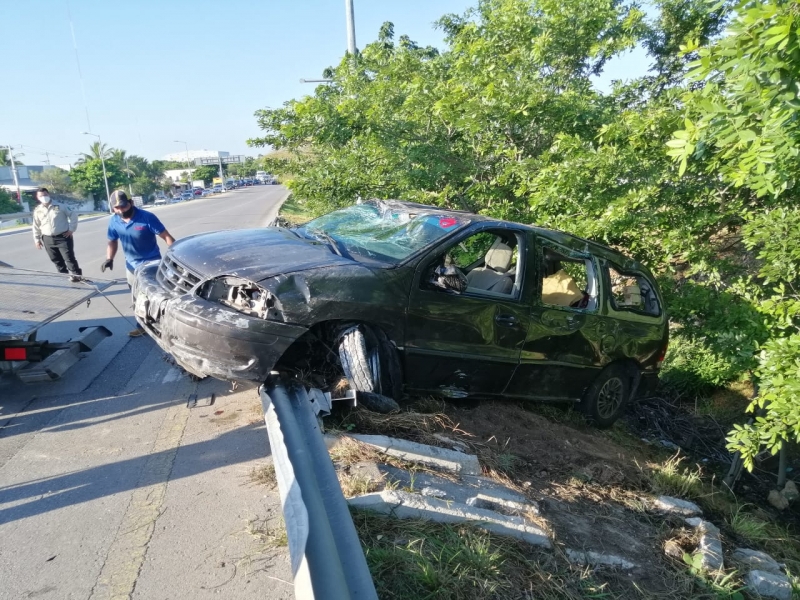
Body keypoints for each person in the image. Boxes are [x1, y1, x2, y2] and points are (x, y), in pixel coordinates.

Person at [101, 190, 176, 336]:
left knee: (156, 296)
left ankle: (164, 324)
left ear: (131, 203)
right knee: (136, 297)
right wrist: (109, 259)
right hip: (132, 266)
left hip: (152, 264)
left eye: (123, 206)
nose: (120, 210)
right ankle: (142, 326)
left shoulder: (146, 217)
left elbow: (166, 236)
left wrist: (175, 255)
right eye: (116, 208)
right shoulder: (114, 220)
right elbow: (112, 241)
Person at [31, 187, 83, 282]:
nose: (44, 197)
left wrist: (71, 229)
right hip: (47, 239)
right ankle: (63, 279)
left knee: (69, 259)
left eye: (45, 195)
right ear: (37, 197)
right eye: (41, 196)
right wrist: (37, 239)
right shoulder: (38, 210)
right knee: (56, 260)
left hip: (63, 237)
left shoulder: (61, 206)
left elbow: (73, 216)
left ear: (49, 194)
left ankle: (78, 277)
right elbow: (36, 225)